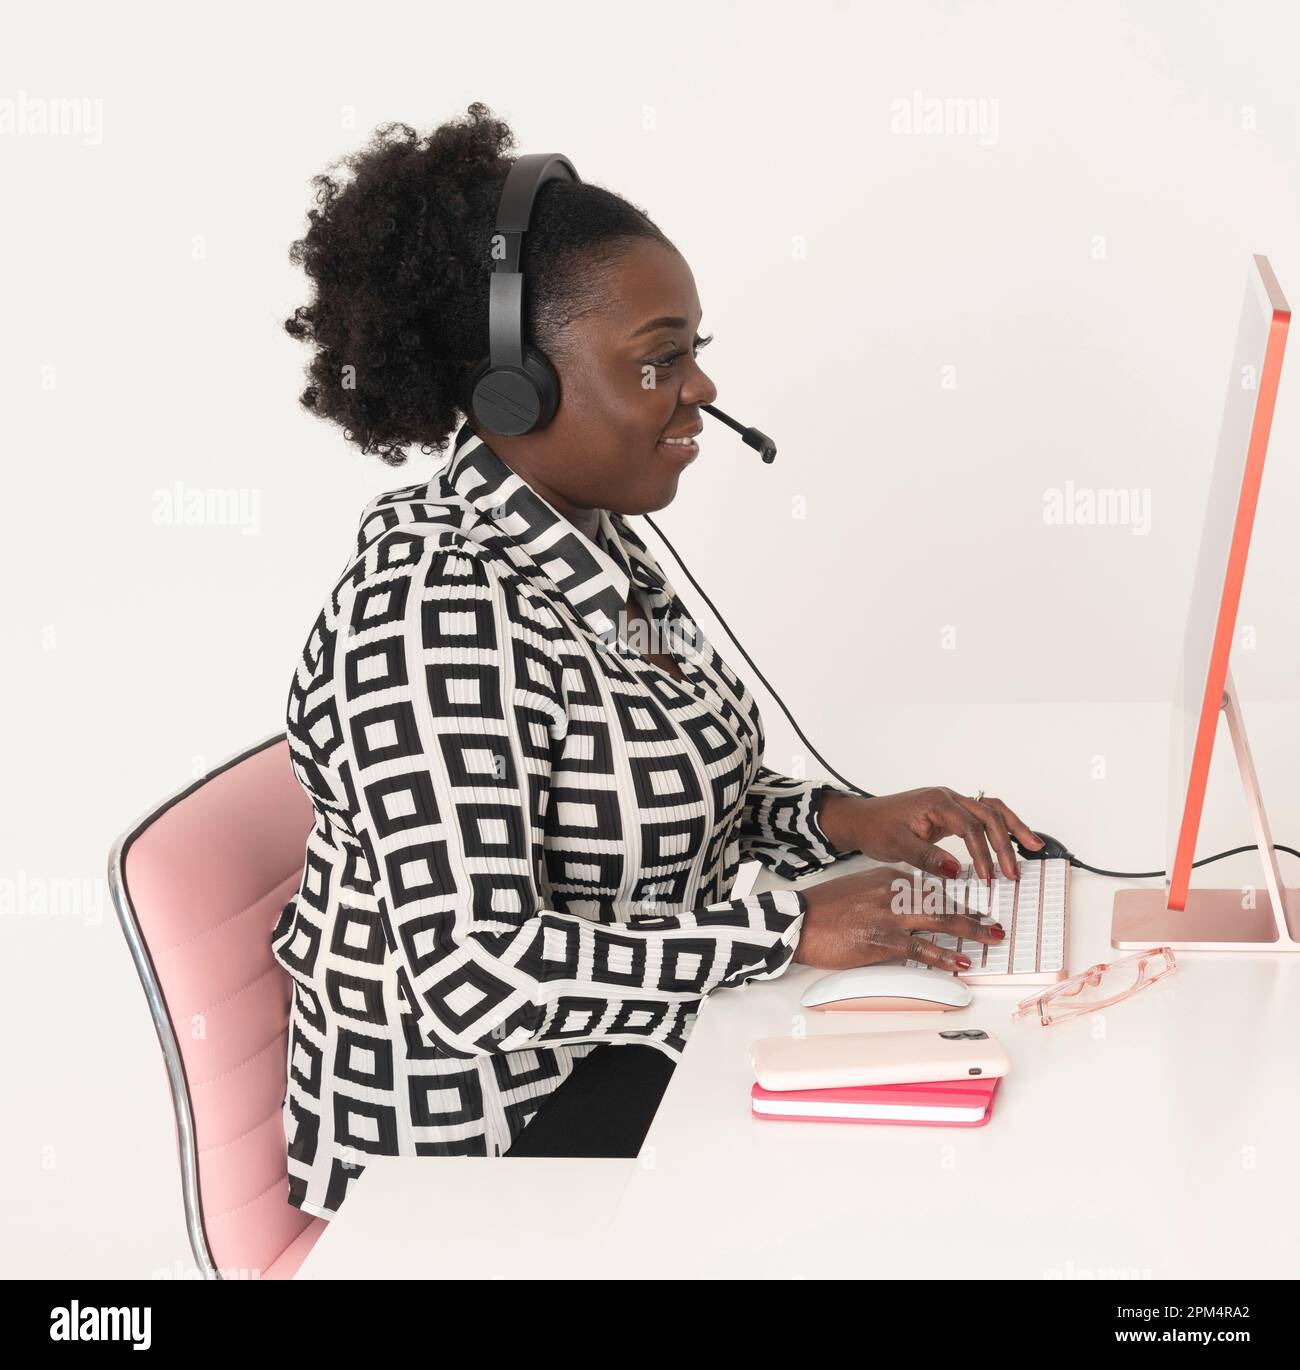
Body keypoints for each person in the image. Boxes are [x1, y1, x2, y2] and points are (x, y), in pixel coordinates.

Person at [271, 103, 1044, 1221]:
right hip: (480, 1155)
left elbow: (669, 794)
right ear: (510, 389)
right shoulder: (434, 617)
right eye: (658, 362)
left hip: (621, 1051)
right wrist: (787, 930)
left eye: (696, 353)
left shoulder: (592, 542)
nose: (701, 392)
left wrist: (839, 821)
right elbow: (472, 973)